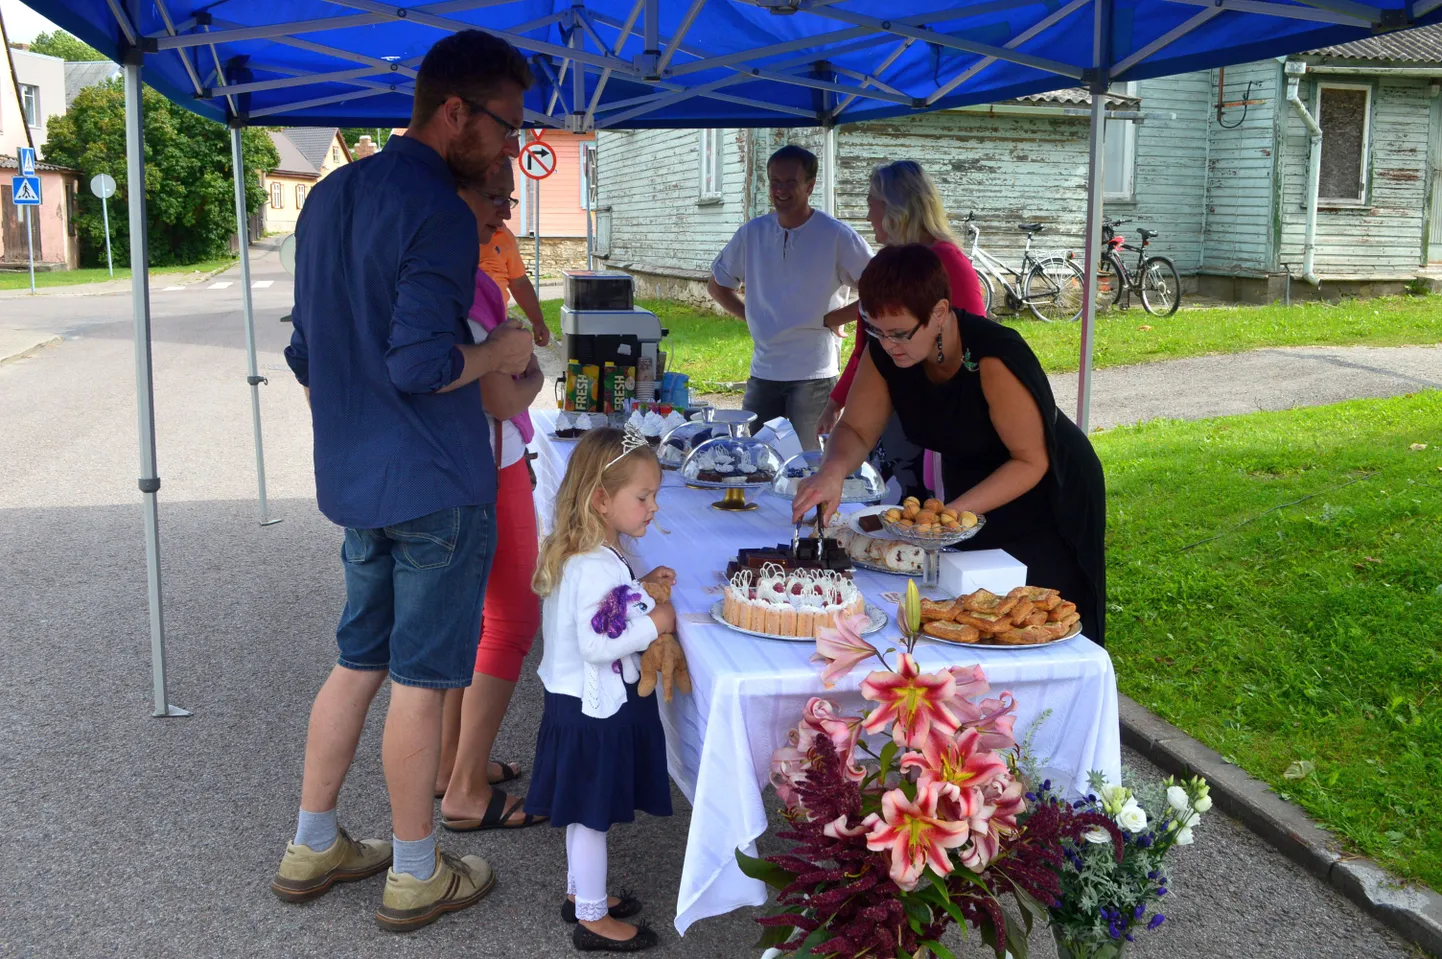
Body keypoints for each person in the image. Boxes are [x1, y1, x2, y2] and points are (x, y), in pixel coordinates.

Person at [272, 31, 535, 932]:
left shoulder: (328, 196)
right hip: (434, 481)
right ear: (454, 111)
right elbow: (425, 363)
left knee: (358, 660)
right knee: (423, 677)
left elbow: (306, 350)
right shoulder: (437, 208)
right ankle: (417, 870)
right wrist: (500, 349)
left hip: (355, 476)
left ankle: (313, 843)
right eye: (506, 127)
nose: (513, 148)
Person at [792, 244, 1107, 645]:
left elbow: (1030, 460)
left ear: (939, 312)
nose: (889, 345)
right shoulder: (886, 351)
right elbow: (855, 428)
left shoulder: (993, 358)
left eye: (901, 333)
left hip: (1044, 490)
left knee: (1030, 619)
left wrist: (947, 516)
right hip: (973, 482)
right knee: (970, 612)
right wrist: (832, 471)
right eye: (875, 330)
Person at [524, 427, 675, 952]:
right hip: (592, 708)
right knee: (590, 816)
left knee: (583, 809)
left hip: (578, 703)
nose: (653, 506)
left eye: (655, 494)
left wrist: (638, 587)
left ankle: (580, 892)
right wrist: (657, 622)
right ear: (601, 499)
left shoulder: (593, 551)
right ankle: (590, 916)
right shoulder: (590, 563)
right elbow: (597, 642)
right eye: (644, 496)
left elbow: (608, 607)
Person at [433, 164, 548, 831]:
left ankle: (453, 766)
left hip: (459, 463)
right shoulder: (464, 286)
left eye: (508, 201)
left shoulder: (446, 276)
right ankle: (466, 789)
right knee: (511, 621)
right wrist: (528, 370)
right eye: (493, 199)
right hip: (490, 461)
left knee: (469, 625)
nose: (502, 213)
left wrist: (520, 359)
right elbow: (506, 392)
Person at [708, 145, 872, 451]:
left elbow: (882, 291)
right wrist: (752, 315)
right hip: (763, 371)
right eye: (775, 182)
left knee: (811, 464)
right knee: (756, 460)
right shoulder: (752, 233)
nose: (781, 190)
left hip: (814, 372)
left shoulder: (835, 235)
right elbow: (717, 286)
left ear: (810, 185)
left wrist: (835, 317)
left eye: (790, 182)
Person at [816, 160, 987, 453]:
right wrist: (836, 402)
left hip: (933, 419)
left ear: (896, 208)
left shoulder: (947, 263)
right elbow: (865, 349)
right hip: (890, 410)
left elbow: (976, 344)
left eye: (872, 203)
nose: (868, 214)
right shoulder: (886, 266)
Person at [479, 221, 552, 346]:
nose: (507, 213)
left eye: (508, 202)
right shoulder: (448, 231)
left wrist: (538, 321)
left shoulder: (504, 235)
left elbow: (519, 281)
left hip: (497, 325)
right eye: (498, 202)